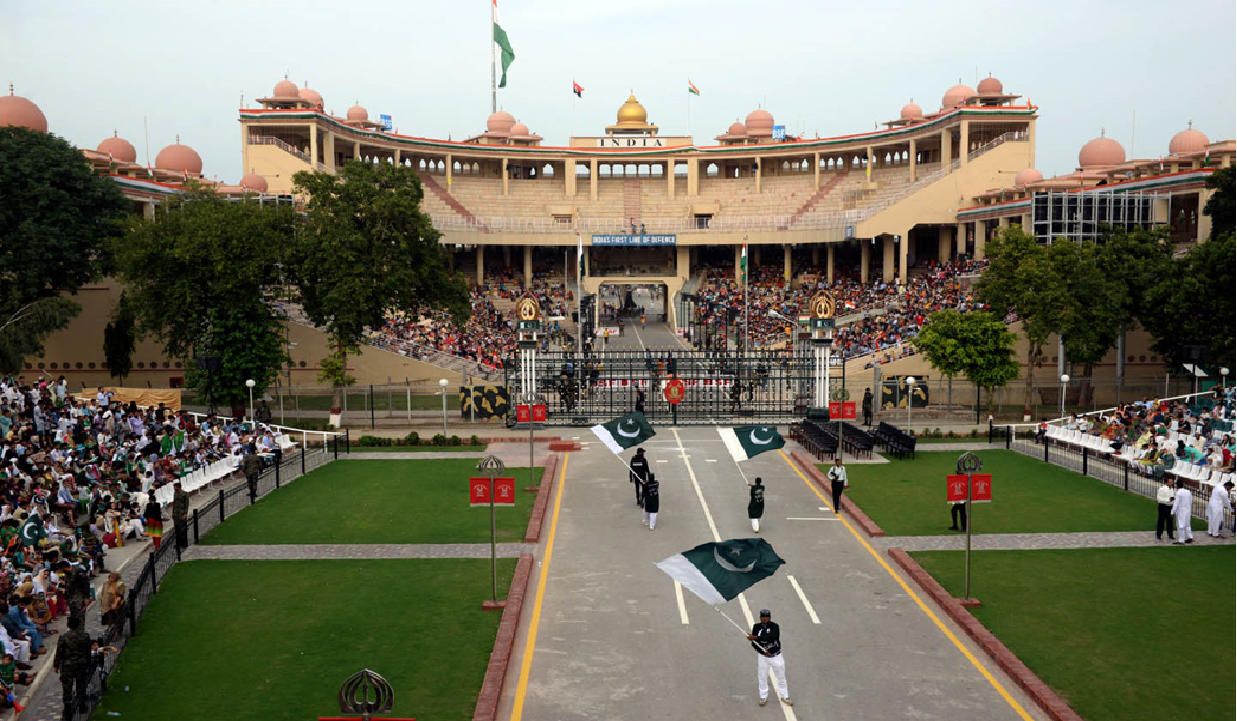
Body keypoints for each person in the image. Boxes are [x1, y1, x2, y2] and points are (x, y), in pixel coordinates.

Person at [746, 609, 791, 707]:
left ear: (770, 617)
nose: (765, 618)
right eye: (763, 616)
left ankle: (785, 696)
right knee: (762, 677)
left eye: (767, 616)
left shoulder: (775, 626)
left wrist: (756, 637)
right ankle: (763, 696)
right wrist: (762, 651)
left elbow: (772, 637)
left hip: (776, 656)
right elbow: (754, 644)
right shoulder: (756, 627)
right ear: (760, 617)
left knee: (781, 677)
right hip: (763, 657)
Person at [53, 616, 91, 720]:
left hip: (68, 665)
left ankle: (68, 710)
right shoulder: (85, 636)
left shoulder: (64, 637)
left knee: (67, 688)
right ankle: (82, 705)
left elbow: (59, 652)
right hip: (81, 664)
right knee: (81, 684)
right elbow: (88, 651)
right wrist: (89, 663)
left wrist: (56, 665)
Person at [172, 480, 190, 550]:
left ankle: (184, 543)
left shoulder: (185, 494)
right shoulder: (175, 493)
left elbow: (186, 504)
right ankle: (178, 543)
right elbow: (174, 503)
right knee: (177, 529)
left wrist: (185, 513)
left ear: (178, 487)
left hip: (182, 513)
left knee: (183, 529)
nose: (174, 488)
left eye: (175, 487)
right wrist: (173, 512)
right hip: (176, 514)